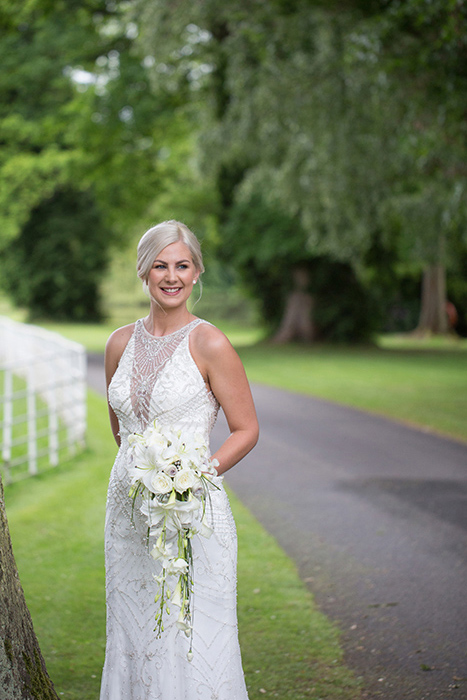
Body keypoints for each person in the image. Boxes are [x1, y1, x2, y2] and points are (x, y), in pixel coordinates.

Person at [100, 220, 259, 700]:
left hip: (194, 513)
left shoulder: (209, 342)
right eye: (160, 266)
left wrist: (192, 478)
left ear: (195, 274)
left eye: (182, 266)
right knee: (133, 626)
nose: (171, 276)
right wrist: (143, 480)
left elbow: (246, 429)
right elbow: (122, 430)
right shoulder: (119, 343)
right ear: (144, 272)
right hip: (127, 517)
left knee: (189, 634)